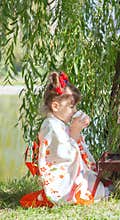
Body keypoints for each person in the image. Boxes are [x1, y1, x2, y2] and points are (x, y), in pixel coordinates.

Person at [20, 72, 113, 208]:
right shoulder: (51, 126)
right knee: (93, 190)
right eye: (71, 106)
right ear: (56, 106)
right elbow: (64, 156)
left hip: (68, 175)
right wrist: (75, 131)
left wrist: (76, 132)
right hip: (61, 180)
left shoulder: (58, 123)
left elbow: (71, 146)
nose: (74, 110)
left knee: (95, 185)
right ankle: (70, 193)